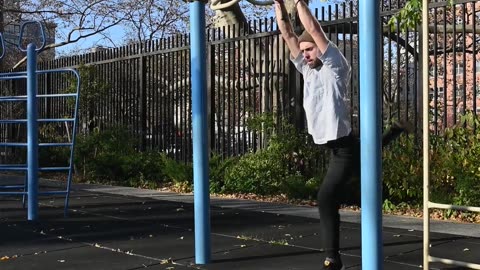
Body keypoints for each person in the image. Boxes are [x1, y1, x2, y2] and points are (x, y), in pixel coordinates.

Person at [273, 0, 412, 269]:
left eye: (310, 49)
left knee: (326, 198)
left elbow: (312, 28)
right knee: (365, 153)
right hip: (335, 145)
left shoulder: (335, 66)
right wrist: (279, 6)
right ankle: (393, 132)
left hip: (341, 147)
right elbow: (288, 34)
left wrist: (299, 1)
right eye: (303, 52)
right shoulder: (305, 68)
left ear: (320, 48)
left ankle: (332, 258)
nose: (306, 55)